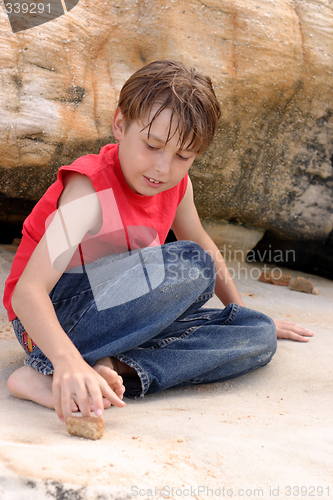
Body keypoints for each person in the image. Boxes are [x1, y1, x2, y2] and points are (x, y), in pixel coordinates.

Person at [3, 60, 313, 424]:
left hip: (122, 315)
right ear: (120, 125)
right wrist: (65, 359)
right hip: (50, 320)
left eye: (183, 156)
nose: (163, 168)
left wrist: (239, 313)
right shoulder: (89, 189)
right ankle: (59, 368)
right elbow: (28, 293)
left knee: (255, 333)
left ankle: (112, 368)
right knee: (190, 263)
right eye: (152, 145)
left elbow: (202, 241)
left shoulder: (177, 187)